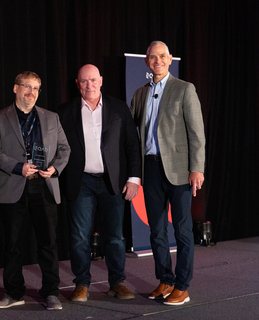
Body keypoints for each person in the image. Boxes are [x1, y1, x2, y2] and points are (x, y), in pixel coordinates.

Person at [0, 71, 70, 311]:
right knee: (12, 244)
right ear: (15, 88)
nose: (31, 92)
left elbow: (65, 148)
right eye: (26, 87)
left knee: (48, 243)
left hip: (43, 185)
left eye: (36, 88)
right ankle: (13, 293)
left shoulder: (51, 118)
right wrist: (16, 167)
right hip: (13, 184)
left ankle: (51, 292)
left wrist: (55, 168)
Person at [130, 41, 205, 306]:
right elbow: (130, 131)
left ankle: (182, 286)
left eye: (162, 56)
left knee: (183, 231)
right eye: (152, 57)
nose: (157, 60)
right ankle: (165, 279)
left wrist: (197, 168)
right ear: (146, 61)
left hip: (179, 170)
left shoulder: (184, 89)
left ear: (170, 59)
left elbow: (196, 132)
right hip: (150, 168)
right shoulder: (140, 93)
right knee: (157, 231)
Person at [57, 64, 141, 302]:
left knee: (115, 237)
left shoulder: (119, 108)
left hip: (111, 182)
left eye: (93, 80)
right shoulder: (65, 111)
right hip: (80, 182)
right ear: (77, 84)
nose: (89, 85)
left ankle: (117, 282)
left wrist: (133, 179)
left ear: (101, 81)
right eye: (84, 81)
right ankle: (82, 283)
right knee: (79, 237)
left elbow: (132, 146)